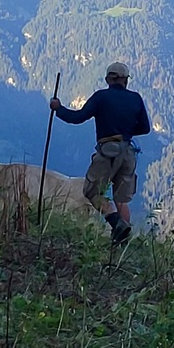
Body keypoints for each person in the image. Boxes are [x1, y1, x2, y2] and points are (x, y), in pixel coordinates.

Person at [50, 62, 150, 245]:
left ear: (108, 79)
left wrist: (58, 108)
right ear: (125, 80)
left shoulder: (101, 97)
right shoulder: (136, 99)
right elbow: (145, 128)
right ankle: (124, 242)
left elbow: (77, 118)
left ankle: (115, 223)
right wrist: (125, 131)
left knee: (92, 191)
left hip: (108, 152)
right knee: (121, 199)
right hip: (128, 152)